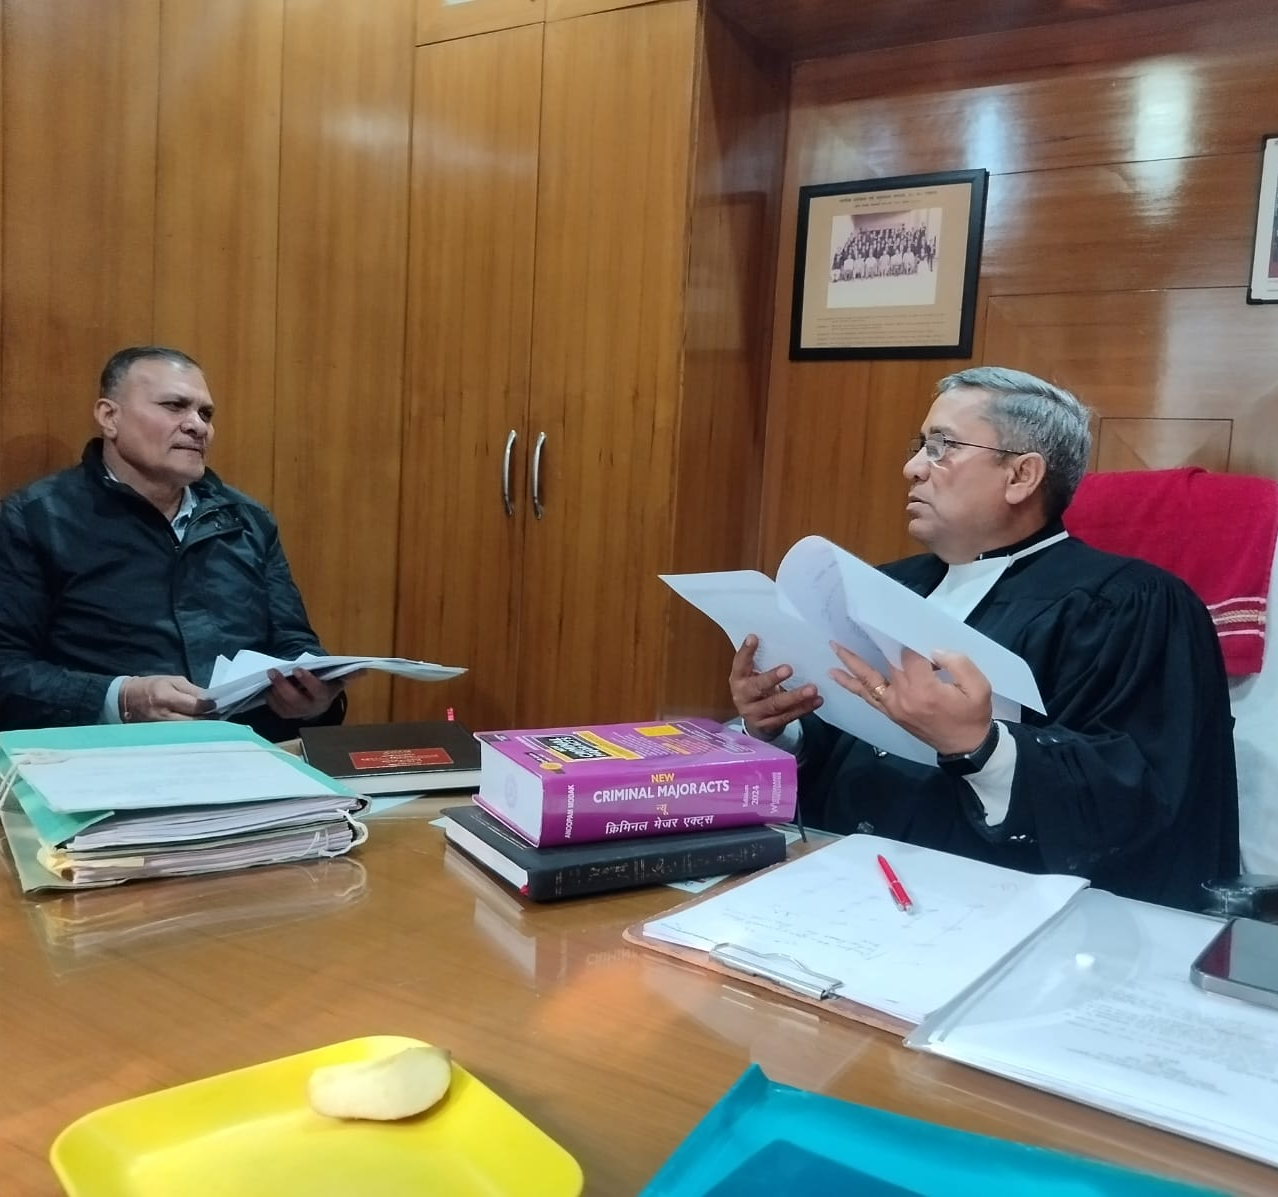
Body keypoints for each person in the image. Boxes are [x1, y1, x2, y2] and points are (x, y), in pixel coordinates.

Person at [730, 366, 1239, 911]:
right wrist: (780, 727)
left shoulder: (1132, 604)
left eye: (941, 447)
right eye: (919, 446)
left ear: (1021, 475)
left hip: (997, 911)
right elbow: (847, 742)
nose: (912, 468)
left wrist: (980, 744)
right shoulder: (884, 586)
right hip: (833, 881)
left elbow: (1144, 793)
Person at [0, 346, 349, 741]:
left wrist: (316, 695)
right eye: (174, 406)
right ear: (109, 417)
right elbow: (7, 669)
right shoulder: (35, 519)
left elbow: (295, 643)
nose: (197, 426)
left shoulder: (248, 520)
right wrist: (120, 698)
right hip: (108, 756)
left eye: (206, 414)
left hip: (249, 750)